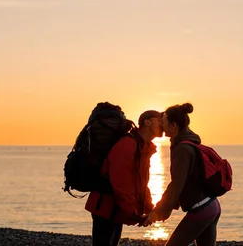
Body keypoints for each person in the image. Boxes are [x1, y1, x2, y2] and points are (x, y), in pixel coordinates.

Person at [143, 103, 221, 246]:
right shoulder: (187, 143)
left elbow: (177, 185)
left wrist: (159, 211)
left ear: (173, 125)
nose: (161, 122)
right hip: (211, 205)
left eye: (164, 120)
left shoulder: (182, 149)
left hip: (201, 209)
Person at [85, 109, 164, 246]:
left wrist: (149, 209)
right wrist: (133, 213)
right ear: (147, 122)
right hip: (105, 207)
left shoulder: (144, 147)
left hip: (117, 209)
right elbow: (121, 184)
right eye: (159, 120)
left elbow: (141, 184)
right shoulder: (128, 145)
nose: (163, 124)